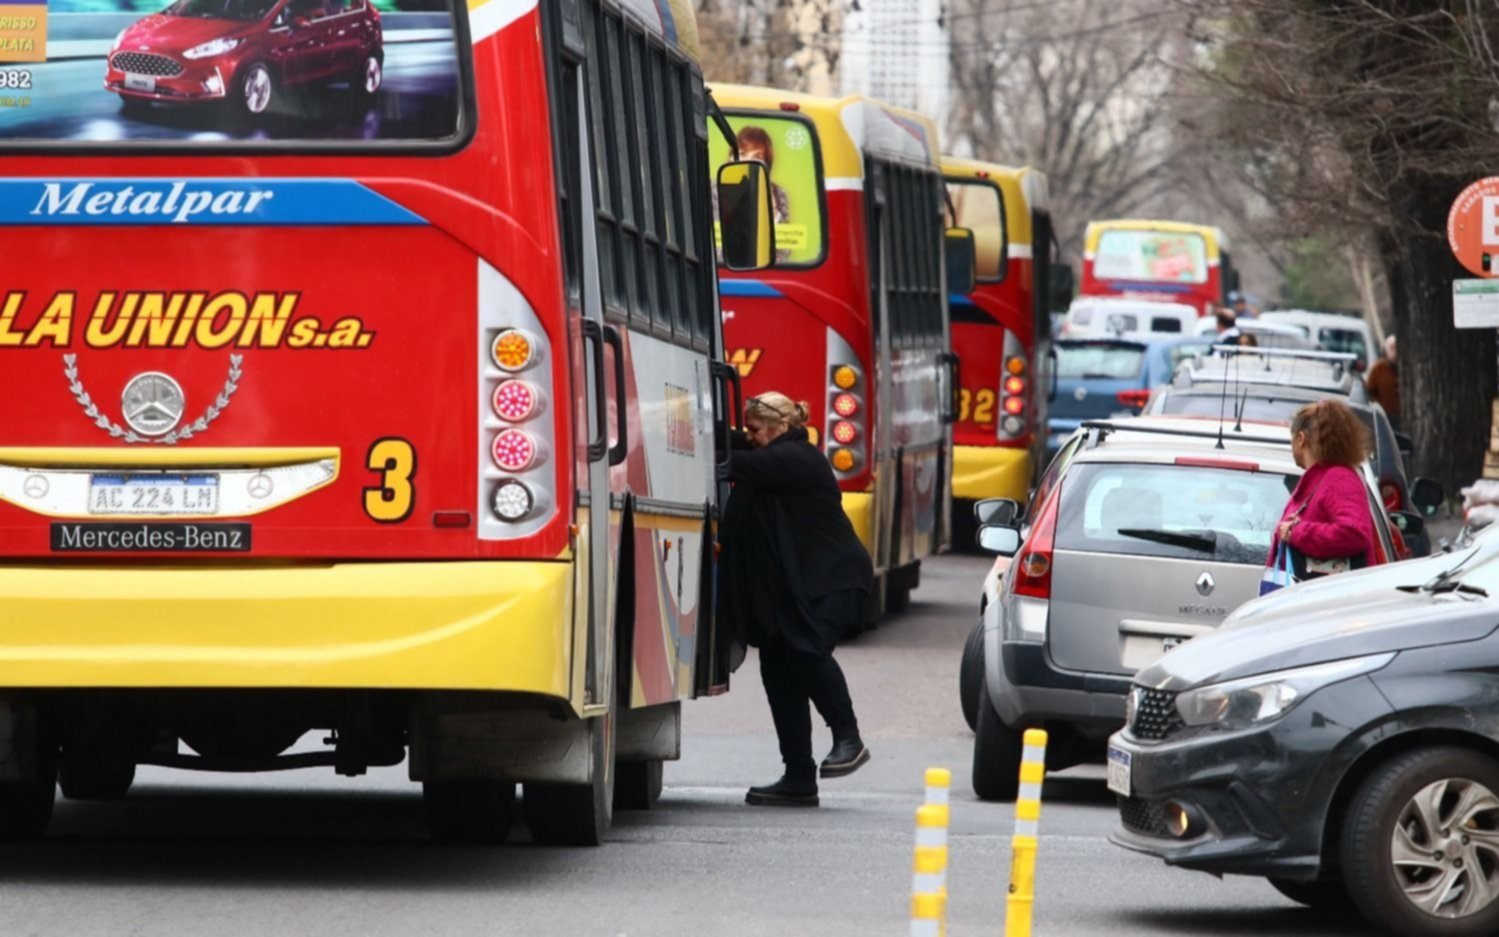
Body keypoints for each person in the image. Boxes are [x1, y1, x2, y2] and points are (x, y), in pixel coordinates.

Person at [717, 392, 874, 807]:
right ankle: (799, 776)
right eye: (747, 429)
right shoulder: (772, 455)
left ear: (781, 428)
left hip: (832, 580)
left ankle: (849, 739)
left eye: (755, 430)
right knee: (778, 669)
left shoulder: (798, 458)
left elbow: (738, 463)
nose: (750, 437)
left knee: (806, 652)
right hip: (794, 586)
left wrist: (702, 440)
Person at [1270, 399, 1381, 578]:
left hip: (1329, 600)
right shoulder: (1324, 478)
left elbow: (1354, 533)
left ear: (1300, 439)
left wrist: (1296, 532)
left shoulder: (1339, 479)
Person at [1365, 335, 1399, 428]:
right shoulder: (1378, 369)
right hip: (1384, 416)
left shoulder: (1405, 369)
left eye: (1395, 347)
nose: (1394, 351)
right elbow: (1369, 391)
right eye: (1391, 348)